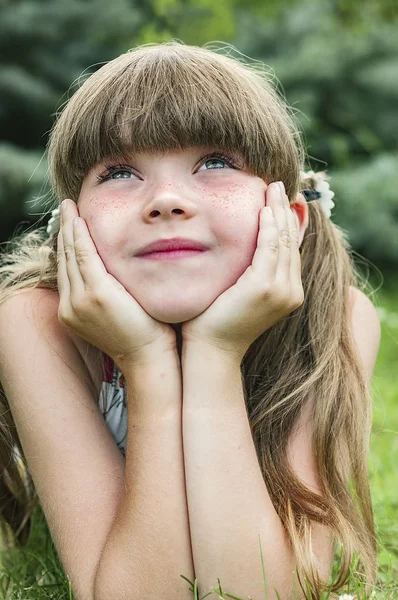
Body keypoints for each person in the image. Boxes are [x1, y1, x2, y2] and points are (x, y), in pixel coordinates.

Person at [0, 42, 381, 600]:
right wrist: (145, 362)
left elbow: (257, 591)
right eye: (120, 172)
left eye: (218, 163)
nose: (168, 200)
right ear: (72, 225)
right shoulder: (36, 322)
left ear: (289, 218)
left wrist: (215, 353)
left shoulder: (334, 318)